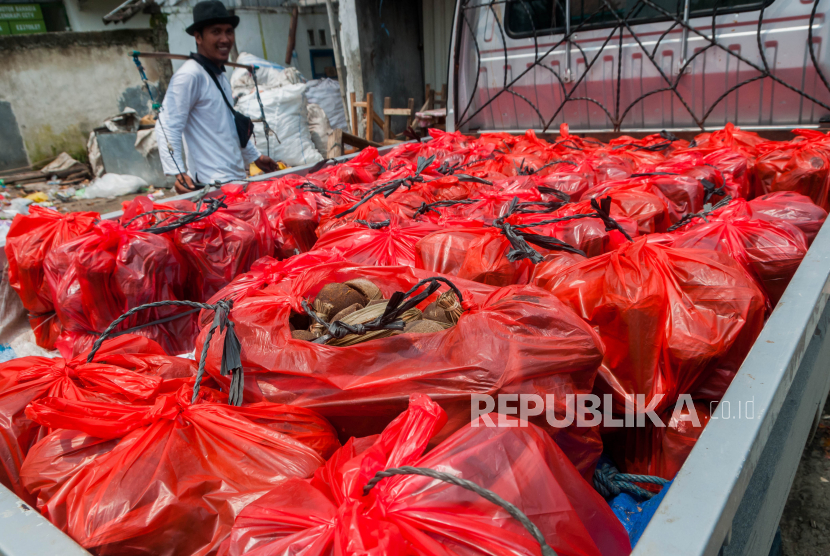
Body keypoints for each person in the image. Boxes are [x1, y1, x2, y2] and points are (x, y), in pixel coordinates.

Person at [156, 0, 278, 194]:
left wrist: (255, 157)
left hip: (234, 180)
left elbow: (229, 125)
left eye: (229, 31)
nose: (225, 39)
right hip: (211, 186)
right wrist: (177, 172)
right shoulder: (189, 75)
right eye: (216, 32)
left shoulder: (219, 75)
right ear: (198, 37)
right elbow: (167, 124)